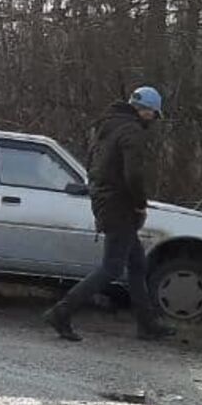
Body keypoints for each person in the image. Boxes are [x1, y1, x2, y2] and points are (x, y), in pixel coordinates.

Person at [43, 85, 175, 342]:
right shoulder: (131, 131)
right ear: (144, 110)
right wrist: (140, 204)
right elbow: (133, 174)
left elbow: (94, 168)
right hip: (121, 206)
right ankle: (61, 312)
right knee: (111, 268)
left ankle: (147, 324)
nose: (154, 120)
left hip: (105, 201)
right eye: (154, 114)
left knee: (137, 264)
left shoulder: (107, 127)